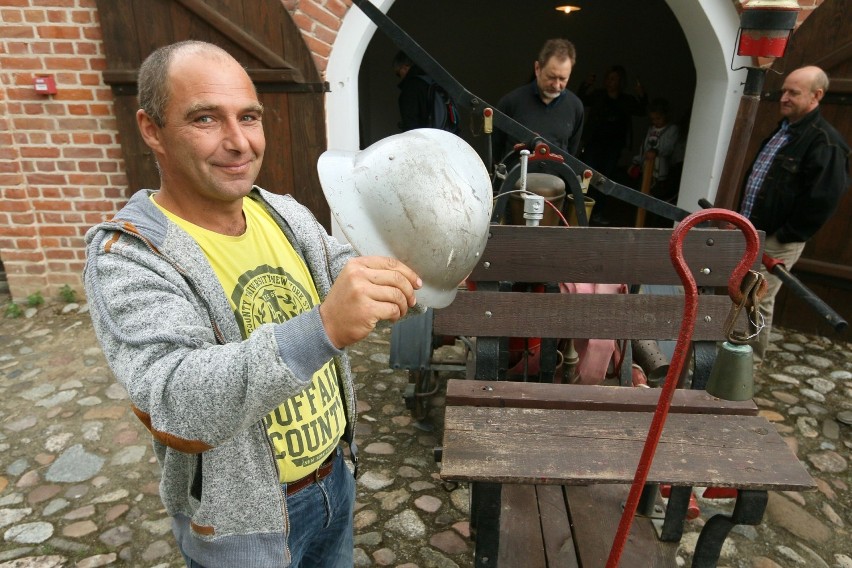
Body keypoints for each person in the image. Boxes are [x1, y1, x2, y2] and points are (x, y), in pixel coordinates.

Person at [83, 40, 421, 568]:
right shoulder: (129, 257)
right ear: (152, 129)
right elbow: (175, 398)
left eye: (249, 117)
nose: (239, 142)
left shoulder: (281, 212)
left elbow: (339, 270)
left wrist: (413, 266)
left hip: (334, 478)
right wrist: (324, 327)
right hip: (245, 525)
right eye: (205, 119)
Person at [738, 65, 850, 364]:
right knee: (742, 294)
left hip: (777, 239)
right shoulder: (785, 129)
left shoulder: (825, 142)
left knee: (756, 299)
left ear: (817, 96)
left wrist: (785, 235)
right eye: (784, 90)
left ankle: (747, 366)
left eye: (793, 92)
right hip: (754, 232)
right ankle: (732, 353)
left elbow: (823, 200)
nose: (784, 97)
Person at [491, 39, 585, 160]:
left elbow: (571, 154)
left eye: (562, 79)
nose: (556, 85)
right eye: (551, 77)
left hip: (555, 178)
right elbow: (496, 151)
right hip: (517, 177)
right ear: (537, 68)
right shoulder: (510, 102)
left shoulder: (576, 107)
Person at [577, 65, 648, 224]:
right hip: (594, 143)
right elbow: (581, 99)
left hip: (613, 146)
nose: (610, 82)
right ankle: (579, 211)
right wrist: (586, 84)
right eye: (608, 78)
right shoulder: (599, 95)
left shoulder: (626, 100)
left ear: (621, 82)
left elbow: (642, 110)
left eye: (614, 79)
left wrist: (642, 95)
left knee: (605, 180)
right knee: (587, 177)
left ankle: (598, 212)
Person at [628, 98, 683, 203]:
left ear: (665, 115)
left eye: (658, 118)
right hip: (647, 168)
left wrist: (656, 152)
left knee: (658, 199)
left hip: (662, 173)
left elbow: (669, 147)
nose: (655, 122)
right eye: (653, 119)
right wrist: (636, 162)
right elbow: (644, 147)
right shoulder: (651, 129)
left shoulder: (672, 129)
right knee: (643, 195)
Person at [393, 50, 458, 133]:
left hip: (425, 140)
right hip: (447, 136)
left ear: (405, 67)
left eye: (398, 73)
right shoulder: (435, 81)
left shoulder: (410, 88)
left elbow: (410, 124)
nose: (400, 77)